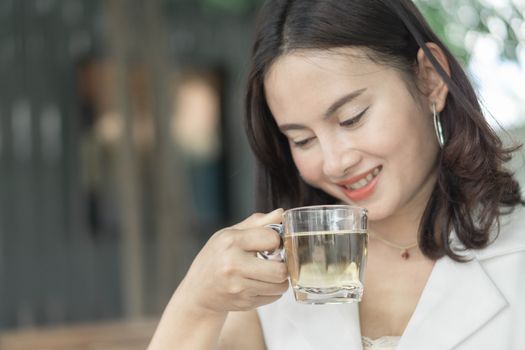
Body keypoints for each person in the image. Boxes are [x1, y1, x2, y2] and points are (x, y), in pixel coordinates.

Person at [148, 0, 525, 349]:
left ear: (429, 79)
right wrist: (196, 302)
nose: (334, 163)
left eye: (351, 118)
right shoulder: (272, 283)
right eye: (302, 139)